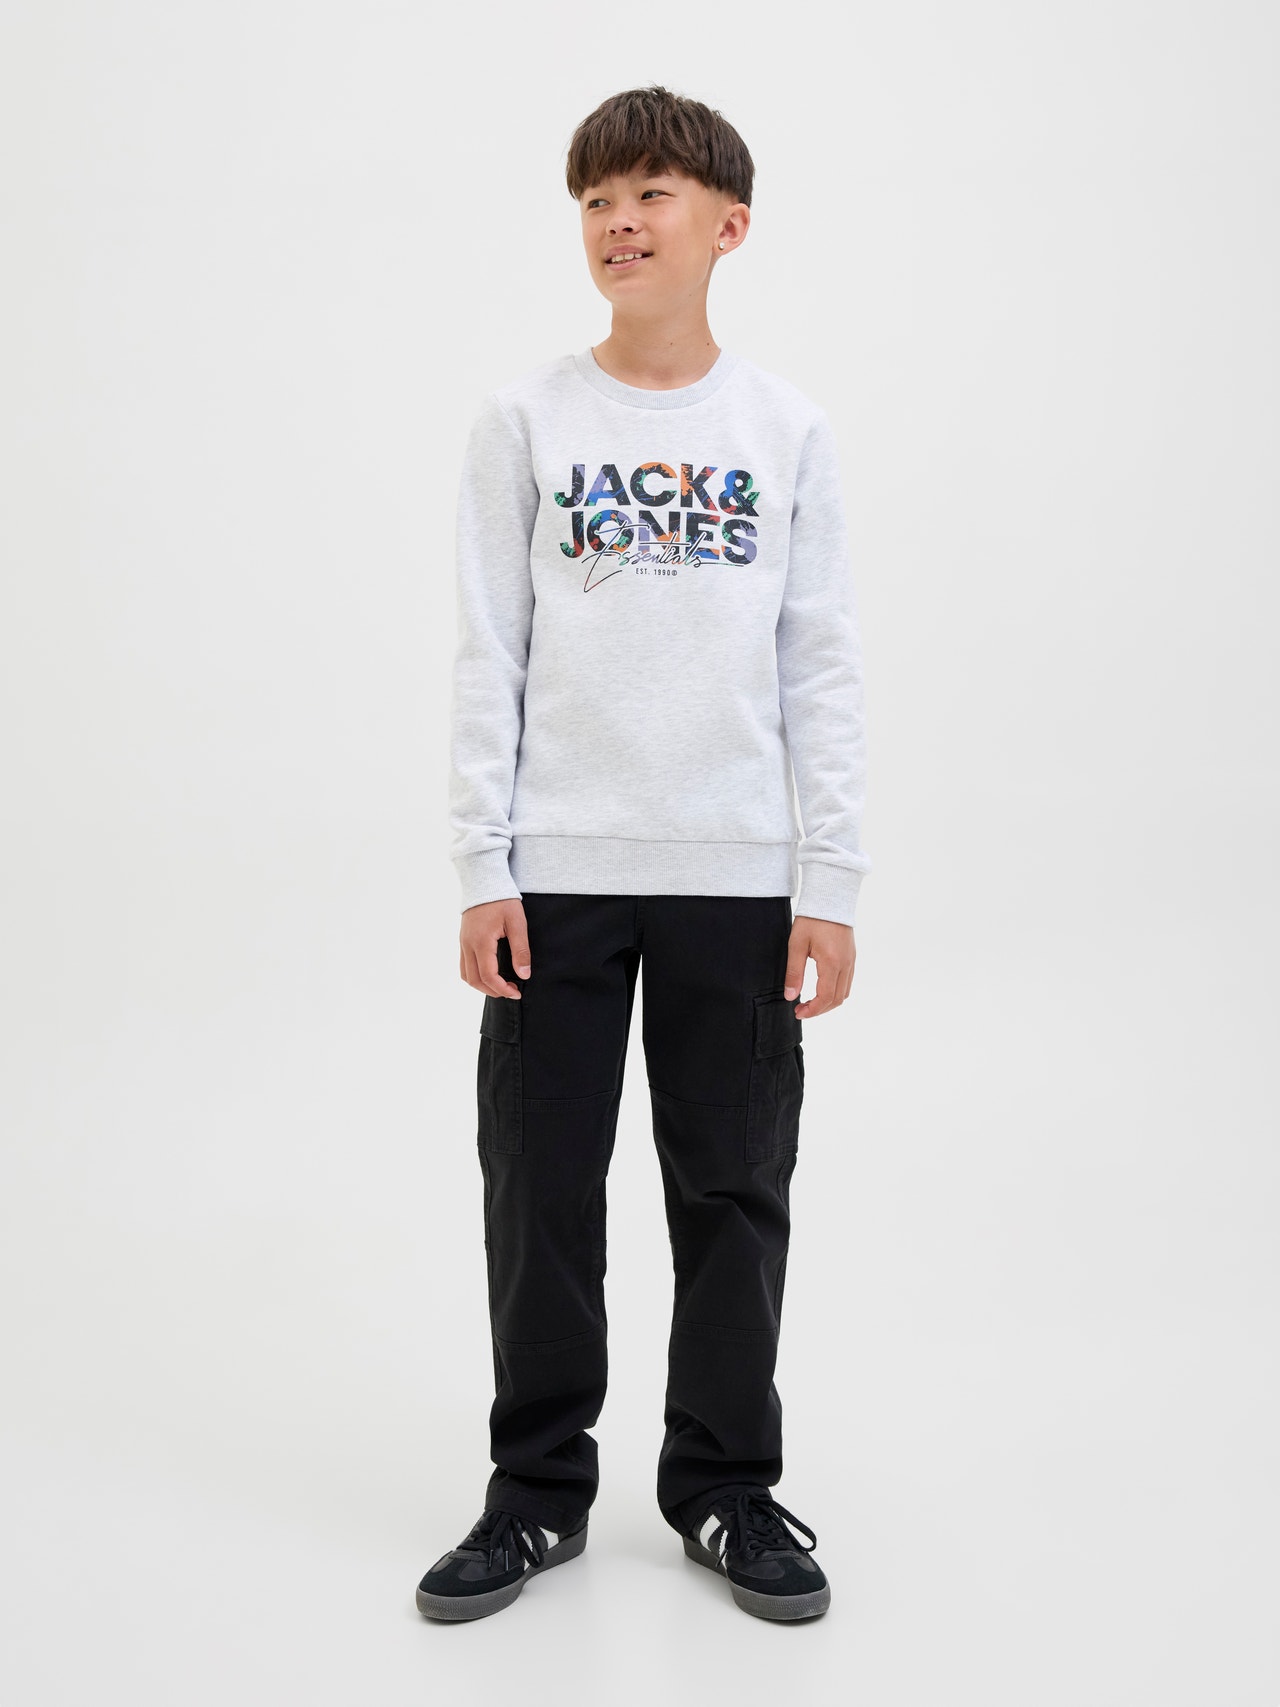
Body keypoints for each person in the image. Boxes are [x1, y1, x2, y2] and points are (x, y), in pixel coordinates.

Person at [416, 84, 870, 1625]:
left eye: (651, 195)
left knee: (732, 1191)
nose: (619, 222)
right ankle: (536, 1492)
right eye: (598, 200)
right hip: (557, 875)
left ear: (727, 226)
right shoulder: (526, 422)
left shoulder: (784, 431)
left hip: (736, 875)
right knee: (540, 1189)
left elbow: (821, 664)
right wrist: (484, 865)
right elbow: (491, 650)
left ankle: (726, 1488)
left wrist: (830, 885)